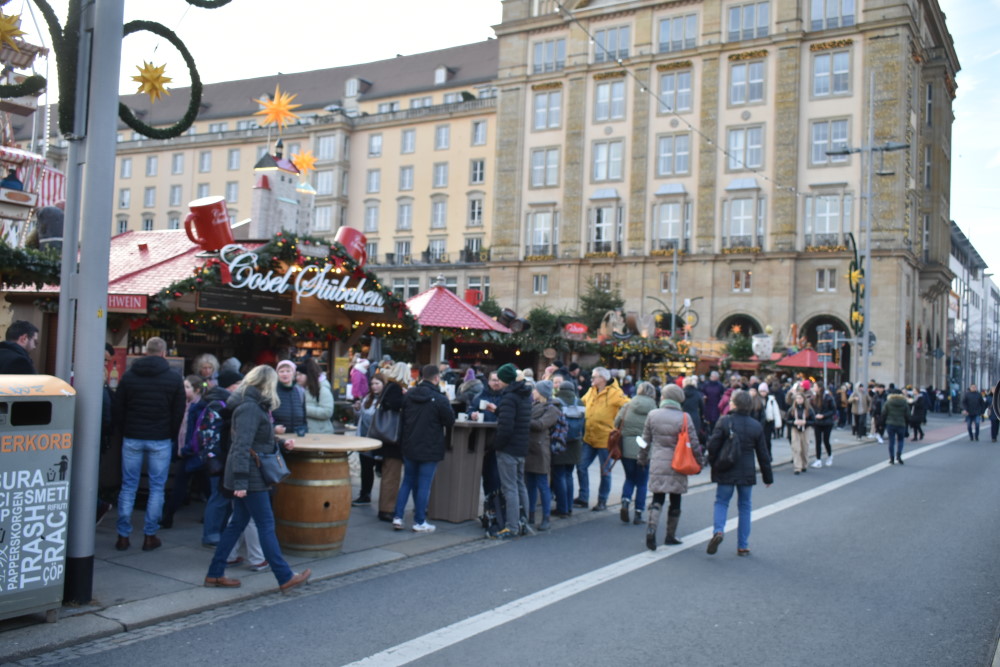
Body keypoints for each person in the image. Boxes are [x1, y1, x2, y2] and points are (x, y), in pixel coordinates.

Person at [203, 365, 310, 592]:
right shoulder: (251, 408)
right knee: (266, 525)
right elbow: (241, 446)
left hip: (250, 473)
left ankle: (214, 573)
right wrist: (241, 482)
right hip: (251, 476)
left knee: (237, 525)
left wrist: (281, 444)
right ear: (267, 384)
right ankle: (284, 576)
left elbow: (255, 439)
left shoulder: (252, 405)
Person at [113, 337, 186, 552]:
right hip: (160, 438)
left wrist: (125, 429)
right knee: (157, 488)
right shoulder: (173, 379)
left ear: (146, 352)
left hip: (133, 436)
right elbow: (178, 412)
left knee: (128, 486)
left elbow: (119, 408)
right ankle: (149, 535)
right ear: (164, 353)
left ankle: (123, 536)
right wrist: (169, 433)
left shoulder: (129, 376)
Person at [706, 390, 773, 556]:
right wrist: (767, 476)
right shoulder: (755, 425)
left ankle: (719, 531)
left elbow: (712, 446)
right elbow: (763, 454)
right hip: (746, 471)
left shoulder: (724, 421)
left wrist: (713, 463)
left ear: (734, 404)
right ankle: (743, 545)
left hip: (726, 468)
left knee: (721, 502)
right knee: (745, 507)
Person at [392, 364, 455, 532]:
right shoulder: (440, 398)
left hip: (409, 444)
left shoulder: (409, 395)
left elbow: (403, 419)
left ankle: (398, 517)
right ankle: (419, 521)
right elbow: (450, 421)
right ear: (436, 378)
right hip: (430, 446)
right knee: (424, 485)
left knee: (407, 481)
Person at [641, 384, 702, 549]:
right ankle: (670, 535)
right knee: (675, 499)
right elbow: (694, 444)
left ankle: (651, 528)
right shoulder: (684, 417)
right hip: (678, 463)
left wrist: (642, 458)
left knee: (657, 498)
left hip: (658, 461)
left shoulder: (652, 415)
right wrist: (699, 462)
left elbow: (644, 440)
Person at [199, 368, 242, 547]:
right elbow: (214, 434)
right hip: (218, 457)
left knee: (222, 495)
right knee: (219, 496)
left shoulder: (220, 402)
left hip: (218, 456)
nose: (241, 388)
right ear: (231, 386)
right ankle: (211, 534)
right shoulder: (220, 404)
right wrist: (217, 456)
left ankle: (217, 532)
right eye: (239, 385)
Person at [576, 367, 629, 511]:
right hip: (589, 437)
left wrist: (617, 426)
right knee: (581, 466)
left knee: (605, 472)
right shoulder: (591, 390)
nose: (591, 379)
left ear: (603, 379)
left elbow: (628, 405)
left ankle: (602, 500)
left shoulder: (615, 393)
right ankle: (583, 497)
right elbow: (581, 404)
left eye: (594, 377)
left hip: (605, 439)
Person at [160, 375, 210, 529]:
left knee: (188, 487)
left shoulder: (200, 407)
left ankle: (168, 518)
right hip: (186, 452)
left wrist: (187, 448)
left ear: (196, 390)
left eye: (187, 387)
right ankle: (168, 518)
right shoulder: (185, 404)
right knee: (201, 487)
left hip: (193, 453)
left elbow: (198, 433)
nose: (183, 390)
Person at [493, 363, 532, 539]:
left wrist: (496, 444)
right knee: (519, 485)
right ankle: (524, 521)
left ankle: (512, 526)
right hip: (521, 446)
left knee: (510, 488)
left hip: (509, 448)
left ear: (506, 380)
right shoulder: (524, 395)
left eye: (500, 378)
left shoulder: (509, 397)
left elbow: (506, 428)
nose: (498, 381)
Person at [616, 381, 656, 526]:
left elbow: (617, 422)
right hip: (645, 448)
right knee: (642, 482)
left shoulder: (628, 405)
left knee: (629, 478)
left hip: (627, 446)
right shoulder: (654, 408)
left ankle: (625, 501)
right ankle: (638, 512)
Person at [376, 362, 409, 522]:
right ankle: (387, 509)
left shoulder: (389, 386)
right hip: (393, 439)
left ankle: (386, 507)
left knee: (390, 474)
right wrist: (406, 396)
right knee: (392, 476)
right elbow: (395, 404)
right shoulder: (395, 387)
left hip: (389, 439)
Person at [526, 380, 561, 531]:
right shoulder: (533, 405)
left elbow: (541, 425)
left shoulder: (553, 409)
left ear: (541, 393)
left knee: (542, 485)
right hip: (529, 448)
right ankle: (531, 515)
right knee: (530, 485)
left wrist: (524, 420)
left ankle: (546, 517)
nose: (533, 392)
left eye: (535, 390)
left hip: (540, 451)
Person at [551, 376, 583, 518]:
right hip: (575, 444)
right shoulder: (580, 402)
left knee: (559, 476)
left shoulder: (556, 402)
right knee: (569, 476)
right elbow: (585, 424)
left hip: (560, 443)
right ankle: (569, 507)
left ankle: (562, 508)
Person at [470, 371, 506, 496]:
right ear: (488, 381)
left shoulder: (506, 397)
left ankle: (496, 503)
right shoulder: (480, 396)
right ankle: (489, 501)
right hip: (483, 439)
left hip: (500, 438)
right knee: (486, 473)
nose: (496, 383)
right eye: (493, 380)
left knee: (497, 474)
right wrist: (472, 415)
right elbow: (470, 410)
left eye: (498, 380)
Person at [353, 373, 385, 506]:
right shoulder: (367, 398)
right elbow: (362, 415)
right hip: (364, 438)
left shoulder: (385, 400)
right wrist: (357, 409)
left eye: (377, 383)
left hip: (378, 440)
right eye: (372, 384)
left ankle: (384, 499)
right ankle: (365, 494)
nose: (374, 386)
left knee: (380, 468)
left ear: (384, 384)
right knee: (365, 469)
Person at [297, 358, 334, 434]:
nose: (297, 377)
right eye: (296, 375)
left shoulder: (322, 389)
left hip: (321, 434)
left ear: (308, 375)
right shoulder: (299, 389)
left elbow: (327, 412)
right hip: (306, 433)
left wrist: (303, 409)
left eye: (300, 374)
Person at [272, 359, 307, 436]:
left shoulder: (300, 391)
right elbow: (264, 418)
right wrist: (273, 428)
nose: (285, 374)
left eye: (288, 371)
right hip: (278, 438)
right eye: (281, 371)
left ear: (294, 374)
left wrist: (304, 429)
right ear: (277, 374)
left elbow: (304, 418)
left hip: (298, 437)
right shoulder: (271, 392)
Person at [785, 392, 814, 474]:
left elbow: (813, 420)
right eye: (797, 398)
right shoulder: (792, 409)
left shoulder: (809, 409)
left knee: (805, 448)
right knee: (796, 448)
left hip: (805, 429)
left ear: (804, 400)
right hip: (795, 429)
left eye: (800, 398)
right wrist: (794, 422)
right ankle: (797, 467)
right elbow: (787, 420)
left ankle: (804, 464)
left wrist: (805, 422)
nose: (799, 400)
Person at [810, 383, 837, 468]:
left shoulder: (828, 397)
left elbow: (833, 410)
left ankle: (830, 455)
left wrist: (823, 415)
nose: (813, 388)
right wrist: (814, 416)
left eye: (815, 386)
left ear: (820, 388)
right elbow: (812, 409)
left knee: (826, 440)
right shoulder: (813, 397)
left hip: (827, 422)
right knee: (818, 441)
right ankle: (818, 459)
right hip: (817, 422)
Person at [882, 387, 910, 464]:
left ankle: (892, 458)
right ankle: (899, 455)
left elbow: (884, 413)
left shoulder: (888, 402)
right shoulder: (904, 402)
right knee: (900, 440)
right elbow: (907, 414)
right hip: (901, 424)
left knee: (891, 441)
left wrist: (883, 422)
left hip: (890, 423)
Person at [758, 382, 782, 460]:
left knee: (767, 440)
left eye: (764, 391)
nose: (763, 393)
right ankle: (763, 455)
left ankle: (768, 455)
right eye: (761, 391)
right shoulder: (757, 400)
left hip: (768, 422)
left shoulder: (771, 400)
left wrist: (778, 423)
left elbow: (776, 412)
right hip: (759, 422)